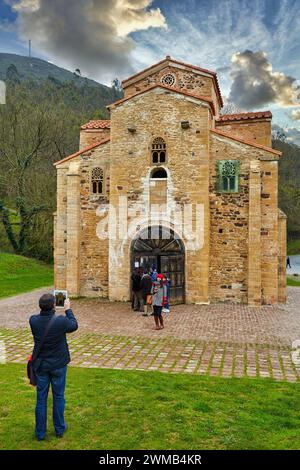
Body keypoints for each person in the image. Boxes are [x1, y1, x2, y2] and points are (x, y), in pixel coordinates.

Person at [29, 293, 78, 441]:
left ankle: (40, 433)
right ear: (54, 306)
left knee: (41, 399)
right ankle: (59, 429)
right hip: (58, 365)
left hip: (42, 365)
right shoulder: (61, 322)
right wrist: (68, 309)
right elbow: (74, 325)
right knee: (58, 396)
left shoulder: (33, 321)